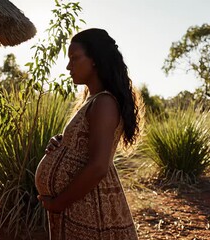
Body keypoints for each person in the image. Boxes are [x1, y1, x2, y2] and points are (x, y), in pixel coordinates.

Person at [35, 28, 141, 240]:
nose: (68, 66)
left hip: (92, 209)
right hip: (81, 206)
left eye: (74, 58)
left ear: (95, 60)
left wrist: (58, 204)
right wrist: (63, 144)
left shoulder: (104, 103)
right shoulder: (93, 100)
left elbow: (99, 166)